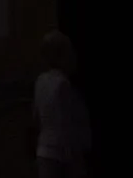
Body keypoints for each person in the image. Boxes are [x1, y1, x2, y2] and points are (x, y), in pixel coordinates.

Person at [36, 30, 92, 178]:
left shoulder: (40, 81)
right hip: (61, 153)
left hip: (43, 150)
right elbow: (66, 123)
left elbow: (36, 116)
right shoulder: (62, 84)